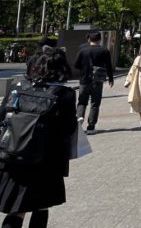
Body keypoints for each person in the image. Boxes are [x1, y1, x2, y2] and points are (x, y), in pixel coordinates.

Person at [0, 46, 77, 228]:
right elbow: (68, 128)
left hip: (13, 156)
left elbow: (2, 116)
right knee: (41, 207)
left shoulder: (17, 89)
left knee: (16, 210)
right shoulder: (64, 94)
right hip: (47, 161)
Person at [72, 31, 114, 134]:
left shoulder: (83, 50)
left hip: (84, 79)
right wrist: (111, 79)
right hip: (98, 80)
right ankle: (91, 126)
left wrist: (84, 68)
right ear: (99, 40)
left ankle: (79, 118)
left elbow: (76, 65)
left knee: (82, 101)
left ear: (89, 39)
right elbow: (109, 66)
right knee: (95, 103)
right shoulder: (104, 51)